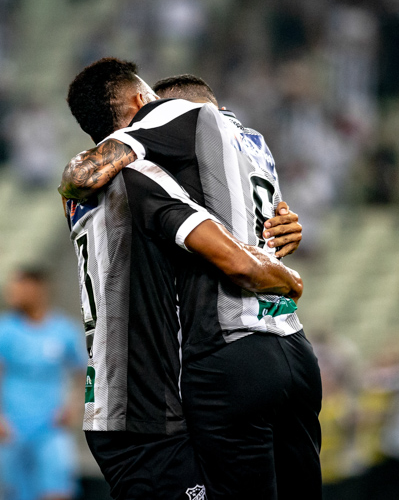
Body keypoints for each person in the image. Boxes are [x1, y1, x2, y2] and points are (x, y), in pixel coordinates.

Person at [61, 59, 321, 500]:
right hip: (280, 346)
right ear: (142, 103)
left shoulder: (108, 184)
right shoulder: (251, 144)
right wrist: (284, 275)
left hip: (183, 374)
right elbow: (245, 259)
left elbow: (78, 177)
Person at [0, 267, 86, 500]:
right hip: (11, 429)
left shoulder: (64, 330)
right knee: (15, 493)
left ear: (38, 290)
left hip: (51, 427)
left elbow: (86, 373)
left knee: (58, 491)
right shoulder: (1, 329)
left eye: (17, 287)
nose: (11, 293)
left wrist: (75, 407)